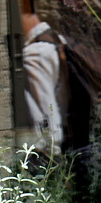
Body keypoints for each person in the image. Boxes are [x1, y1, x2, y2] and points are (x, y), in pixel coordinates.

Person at [20, 11, 69, 152]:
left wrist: (50, 160)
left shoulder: (36, 53)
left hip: (55, 152)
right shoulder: (58, 41)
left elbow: (46, 111)